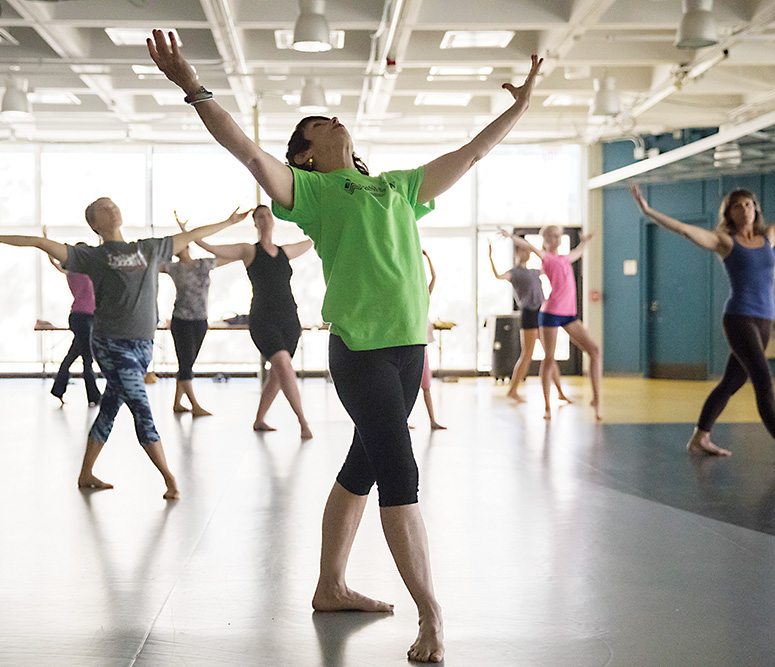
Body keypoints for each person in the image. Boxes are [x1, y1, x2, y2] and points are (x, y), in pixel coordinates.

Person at [148, 28, 541, 663]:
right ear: (305, 157)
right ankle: (432, 616)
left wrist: (518, 107)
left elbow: (471, 153)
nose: (332, 119)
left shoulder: (397, 187)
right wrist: (193, 87)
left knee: (362, 465)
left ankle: (330, 586)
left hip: (408, 349)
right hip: (360, 352)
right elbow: (248, 152)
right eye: (315, 125)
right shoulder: (314, 194)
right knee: (399, 471)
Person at [0, 199, 250, 499]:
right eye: (102, 208)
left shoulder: (148, 248)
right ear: (94, 225)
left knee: (110, 407)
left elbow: (191, 236)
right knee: (141, 408)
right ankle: (170, 480)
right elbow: (39, 242)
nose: (111, 209)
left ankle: (86, 474)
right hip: (112, 344)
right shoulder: (90, 255)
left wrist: (229, 222)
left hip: (143, 345)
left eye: (113, 205)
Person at [629, 145, 775, 467]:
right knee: (763, 380)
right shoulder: (725, 242)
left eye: (749, 204)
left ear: (756, 208)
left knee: (732, 381)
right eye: (737, 206)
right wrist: (649, 211)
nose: (745, 209)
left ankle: (700, 436)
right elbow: (685, 230)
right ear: (729, 213)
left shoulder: (770, 236)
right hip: (739, 318)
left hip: (765, 320)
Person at [192, 204, 314, 439]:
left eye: (268, 214)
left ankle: (259, 420)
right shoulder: (248, 251)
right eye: (260, 216)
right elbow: (210, 247)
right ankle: (303, 422)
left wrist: (317, 220)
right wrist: (190, 232)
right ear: (255, 223)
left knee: (278, 374)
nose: (265, 218)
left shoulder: (285, 252)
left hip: (290, 319)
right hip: (264, 320)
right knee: (283, 365)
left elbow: (311, 242)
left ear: (274, 220)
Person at [508, 227, 602, 420]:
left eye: (558, 236)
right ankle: (547, 406)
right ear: (545, 240)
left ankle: (597, 400)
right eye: (551, 236)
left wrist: (585, 241)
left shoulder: (566, 258)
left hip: (569, 315)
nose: (555, 239)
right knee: (549, 358)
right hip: (550, 313)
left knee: (594, 351)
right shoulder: (547, 258)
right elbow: (530, 246)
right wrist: (512, 237)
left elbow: (579, 251)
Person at [161, 211, 236, 416]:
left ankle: (177, 403)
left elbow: (228, 257)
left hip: (201, 319)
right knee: (186, 364)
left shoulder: (203, 264)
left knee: (187, 362)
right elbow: (149, 264)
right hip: (181, 320)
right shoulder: (172, 268)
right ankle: (195, 406)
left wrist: (186, 231)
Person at [489, 237, 571, 403]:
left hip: (541, 313)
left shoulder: (534, 271)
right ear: (517, 253)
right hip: (529, 314)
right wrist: (491, 256)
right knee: (527, 354)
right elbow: (498, 276)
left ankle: (560, 392)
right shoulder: (514, 272)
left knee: (550, 355)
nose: (526, 253)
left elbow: (549, 266)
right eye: (523, 250)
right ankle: (512, 390)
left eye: (528, 251)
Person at [44, 229, 102, 407]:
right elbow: (54, 259)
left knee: (72, 356)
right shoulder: (80, 271)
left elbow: (53, 260)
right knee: (87, 359)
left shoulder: (71, 271)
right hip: (82, 318)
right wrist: (45, 241)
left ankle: (58, 390)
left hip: (83, 317)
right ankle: (94, 397)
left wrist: (100, 236)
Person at [415, 250, 445, 430]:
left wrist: (427, 259)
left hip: (422, 346)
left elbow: (434, 277)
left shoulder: (423, 297)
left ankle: (432, 420)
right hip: (413, 344)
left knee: (426, 385)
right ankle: (402, 421)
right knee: (405, 388)